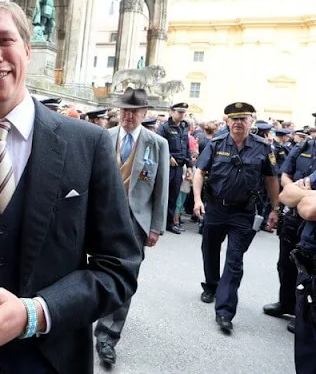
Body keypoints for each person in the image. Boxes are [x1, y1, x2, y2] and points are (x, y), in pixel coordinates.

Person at [0, 0, 142, 374]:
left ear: (28, 50)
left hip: (52, 361)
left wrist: (34, 313)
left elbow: (118, 266)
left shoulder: (89, 145)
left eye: (5, 40)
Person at [94, 88, 169, 367]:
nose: (129, 115)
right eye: (125, 110)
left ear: (145, 114)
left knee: (124, 279)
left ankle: (107, 337)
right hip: (100, 218)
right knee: (90, 272)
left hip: (135, 223)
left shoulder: (156, 143)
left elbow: (162, 188)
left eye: (135, 111)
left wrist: (156, 227)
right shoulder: (104, 137)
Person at [193, 102, 280, 334]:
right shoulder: (215, 144)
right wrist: (197, 200)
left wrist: (275, 208)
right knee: (209, 249)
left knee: (234, 261)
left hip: (243, 212)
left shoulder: (263, 148)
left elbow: (272, 180)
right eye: (234, 118)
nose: (239, 122)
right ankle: (211, 285)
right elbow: (200, 171)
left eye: (244, 118)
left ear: (251, 121)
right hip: (215, 208)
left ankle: (224, 312)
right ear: (227, 121)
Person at [264, 127, 316, 333]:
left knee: (307, 269)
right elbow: (284, 176)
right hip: (293, 214)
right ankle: (285, 303)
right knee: (285, 262)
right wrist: (300, 188)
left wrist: (298, 191)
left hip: (309, 216)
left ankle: (302, 311)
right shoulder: (302, 146)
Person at [278, 174, 316, 373]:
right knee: (305, 348)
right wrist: (310, 194)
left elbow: (309, 210)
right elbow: (287, 194)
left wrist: (305, 195)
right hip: (308, 267)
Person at [157, 102, 192, 234]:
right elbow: (159, 145)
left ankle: (169, 223)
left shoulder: (184, 127)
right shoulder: (164, 127)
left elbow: (186, 147)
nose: (181, 114)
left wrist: (189, 166)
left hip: (178, 167)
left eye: (183, 112)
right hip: (167, 166)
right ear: (172, 112)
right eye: (179, 112)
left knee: (173, 196)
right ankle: (158, 223)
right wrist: (168, 157)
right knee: (162, 195)